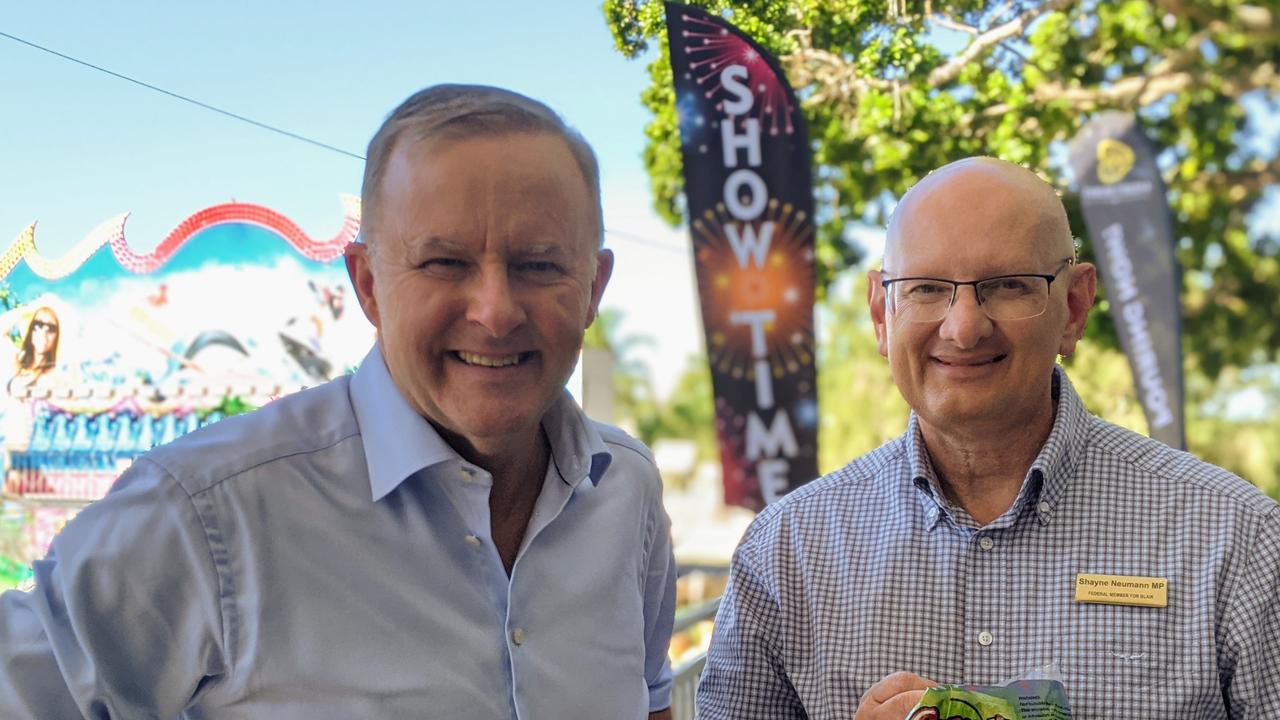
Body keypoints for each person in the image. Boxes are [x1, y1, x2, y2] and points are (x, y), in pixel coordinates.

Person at [0, 84, 677, 719]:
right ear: (369, 286)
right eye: (444, 262)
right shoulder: (209, 513)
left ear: (593, 287)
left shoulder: (626, 492)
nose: (495, 312)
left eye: (538, 263)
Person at [696, 157, 1280, 719]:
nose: (964, 327)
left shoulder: (1236, 544)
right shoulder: (787, 555)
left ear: (1074, 307)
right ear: (882, 313)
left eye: (1007, 285)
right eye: (926, 288)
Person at [7, 306, 60, 395]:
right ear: (30, 331)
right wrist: (29, 307)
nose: (44, 333)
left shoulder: (55, 374)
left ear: (57, 337)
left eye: (51, 328)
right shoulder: (17, 362)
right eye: (38, 325)